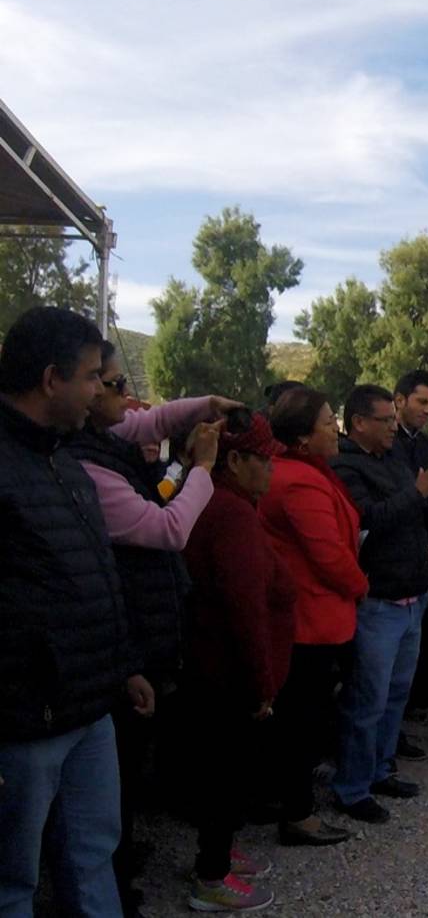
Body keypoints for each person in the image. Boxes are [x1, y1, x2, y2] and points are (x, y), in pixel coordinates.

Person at [65, 342, 235, 909]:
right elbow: (165, 529)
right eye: (107, 383)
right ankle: (111, 885)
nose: (117, 395)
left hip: (135, 637)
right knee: (111, 785)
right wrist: (202, 471)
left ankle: (117, 868)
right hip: (118, 642)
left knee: (123, 780)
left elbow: (150, 419)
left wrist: (203, 403)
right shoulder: (85, 463)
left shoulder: (96, 439)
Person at [0, 307, 149, 917]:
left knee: (93, 856)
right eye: (92, 378)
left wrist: (125, 664)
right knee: (13, 879)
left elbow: (95, 576)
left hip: (92, 706)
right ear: (50, 377)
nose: (99, 393)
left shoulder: (67, 460)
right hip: (24, 719)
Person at [331, 385, 428, 821]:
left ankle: (380, 768)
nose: (395, 427)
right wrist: (420, 492)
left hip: (410, 598)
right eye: (385, 420)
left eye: (394, 419)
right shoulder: (345, 468)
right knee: (367, 700)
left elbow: (416, 515)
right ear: (358, 423)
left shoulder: (393, 459)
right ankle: (352, 787)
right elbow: (370, 519)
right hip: (378, 602)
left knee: (395, 697)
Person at [180, 410, 293, 913]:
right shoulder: (230, 513)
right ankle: (211, 877)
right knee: (225, 772)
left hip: (216, 665)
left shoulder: (225, 504)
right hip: (227, 670)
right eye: (264, 460)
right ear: (236, 459)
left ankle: (219, 854)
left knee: (219, 769)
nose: (272, 470)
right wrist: (262, 683)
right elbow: (244, 605)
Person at [260, 386, 367, 847]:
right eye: (327, 421)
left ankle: (289, 801)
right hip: (309, 620)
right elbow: (328, 553)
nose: (335, 429)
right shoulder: (300, 481)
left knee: (298, 718)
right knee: (301, 720)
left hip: (311, 615)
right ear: (303, 437)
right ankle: (298, 814)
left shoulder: (302, 472)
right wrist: (361, 585)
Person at [389, 369, 428, 759]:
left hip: (422, 564)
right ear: (399, 400)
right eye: (421, 402)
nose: (426, 410)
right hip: (387, 570)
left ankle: (397, 733)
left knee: (410, 663)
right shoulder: (383, 448)